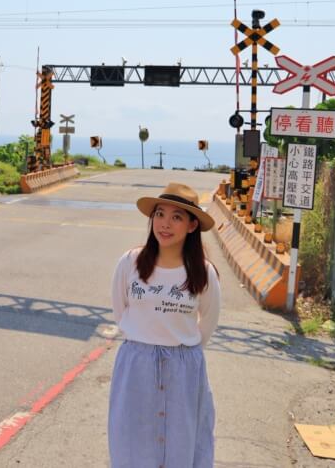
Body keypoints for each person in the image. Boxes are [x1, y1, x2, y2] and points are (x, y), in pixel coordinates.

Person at [109, 181, 222, 467]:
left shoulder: (203, 273)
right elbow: (120, 310)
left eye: (176, 217)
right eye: (159, 214)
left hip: (184, 367)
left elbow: (207, 322)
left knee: (183, 441)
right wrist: (145, 339)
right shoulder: (131, 263)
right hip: (136, 362)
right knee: (132, 439)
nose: (165, 224)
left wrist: (180, 347)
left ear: (192, 226)